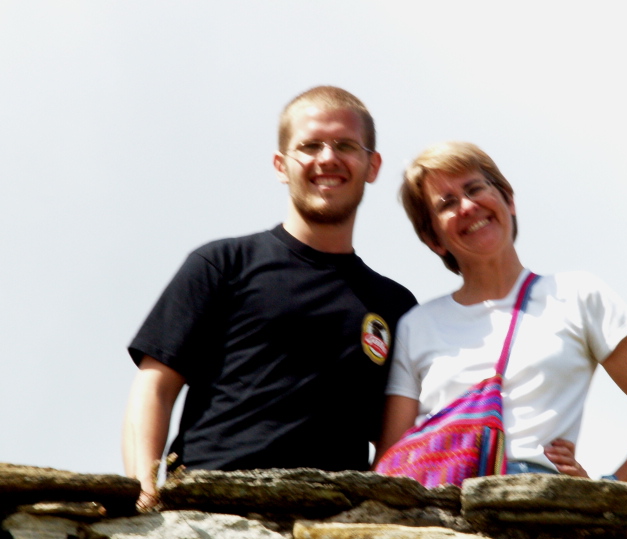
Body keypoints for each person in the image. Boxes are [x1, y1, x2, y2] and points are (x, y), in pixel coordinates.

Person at [122, 86, 417, 509]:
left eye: (346, 146)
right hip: (206, 512)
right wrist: (144, 489)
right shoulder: (222, 263)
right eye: (310, 145)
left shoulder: (396, 307)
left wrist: (373, 514)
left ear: (372, 166)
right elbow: (154, 387)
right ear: (281, 166)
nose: (328, 158)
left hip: (330, 531)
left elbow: (396, 439)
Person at [374, 141, 627, 483]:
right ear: (433, 239)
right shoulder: (417, 325)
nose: (468, 206)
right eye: (447, 204)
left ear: (508, 200)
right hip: (442, 508)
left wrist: (608, 491)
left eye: (475, 188)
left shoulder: (577, 296)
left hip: (531, 496)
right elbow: (390, 461)